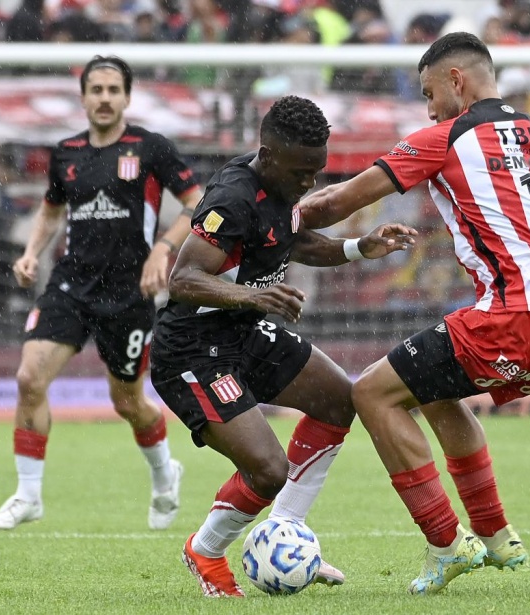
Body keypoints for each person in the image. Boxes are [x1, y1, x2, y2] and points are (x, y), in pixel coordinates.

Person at [299, 32, 530, 594]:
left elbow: (333, 204)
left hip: (511, 319)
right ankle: (497, 534)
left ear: (457, 81)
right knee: (431, 389)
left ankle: (446, 544)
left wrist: (256, 216)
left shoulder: (445, 137)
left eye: (429, 93)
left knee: (372, 393)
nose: (427, 108)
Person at [149, 95, 416, 598]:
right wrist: (253, 294)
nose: (309, 183)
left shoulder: (281, 183)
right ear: (268, 155)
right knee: (268, 469)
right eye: (302, 172)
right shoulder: (231, 198)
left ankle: (283, 535)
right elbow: (183, 278)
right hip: (193, 351)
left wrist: (362, 247)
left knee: (340, 400)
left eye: (317, 171)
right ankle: (205, 550)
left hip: (242, 331)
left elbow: (292, 240)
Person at [0, 56, 203, 532]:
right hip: (69, 284)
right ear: (83, 97)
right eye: (96, 90)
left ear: (127, 96)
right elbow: (49, 212)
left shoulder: (151, 148)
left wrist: (161, 251)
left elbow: (197, 204)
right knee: (29, 379)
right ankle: (28, 495)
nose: (104, 99)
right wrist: (29, 253)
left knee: (127, 402)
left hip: (128, 293)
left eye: (112, 90)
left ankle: (166, 473)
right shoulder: (65, 152)